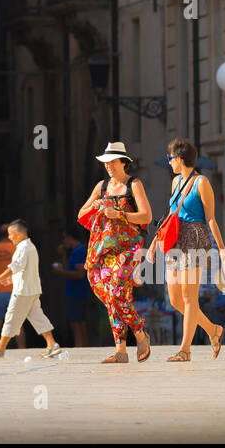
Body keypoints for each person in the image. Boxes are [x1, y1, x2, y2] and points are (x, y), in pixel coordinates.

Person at [146, 138, 225, 362]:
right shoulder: (175, 182)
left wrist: (222, 250)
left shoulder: (202, 182)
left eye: (170, 158)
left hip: (195, 238)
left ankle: (185, 350)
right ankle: (213, 330)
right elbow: (170, 215)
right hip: (175, 239)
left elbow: (211, 219)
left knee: (189, 297)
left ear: (180, 159)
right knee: (175, 299)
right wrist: (155, 242)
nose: (169, 162)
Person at [77, 142, 153, 363]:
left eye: (112, 161)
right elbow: (81, 213)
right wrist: (96, 205)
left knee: (117, 294)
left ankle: (140, 334)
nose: (108, 166)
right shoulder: (101, 187)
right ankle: (120, 350)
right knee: (111, 296)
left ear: (123, 162)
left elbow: (146, 216)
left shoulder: (134, 184)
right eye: (106, 162)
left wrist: (118, 214)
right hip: (102, 250)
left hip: (128, 249)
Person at [0, 220, 63, 358]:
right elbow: (24, 270)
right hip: (31, 289)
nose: (9, 237)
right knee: (38, 317)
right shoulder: (29, 247)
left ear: (18, 234)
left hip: (23, 291)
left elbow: (14, 267)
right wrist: (11, 280)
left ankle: (0, 348)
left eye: (10, 235)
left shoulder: (23, 248)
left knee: (11, 317)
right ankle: (52, 344)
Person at [52, 227, 90, 348]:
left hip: (76, 292)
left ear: (69, 237)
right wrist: (64, 255)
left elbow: (80, 274)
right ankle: (82, 345)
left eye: (64, 238)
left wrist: (61, 272)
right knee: (79, 321)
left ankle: (80, 346)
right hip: (77, 292)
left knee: (76, 322)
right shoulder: (76, 251)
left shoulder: (78, 251)